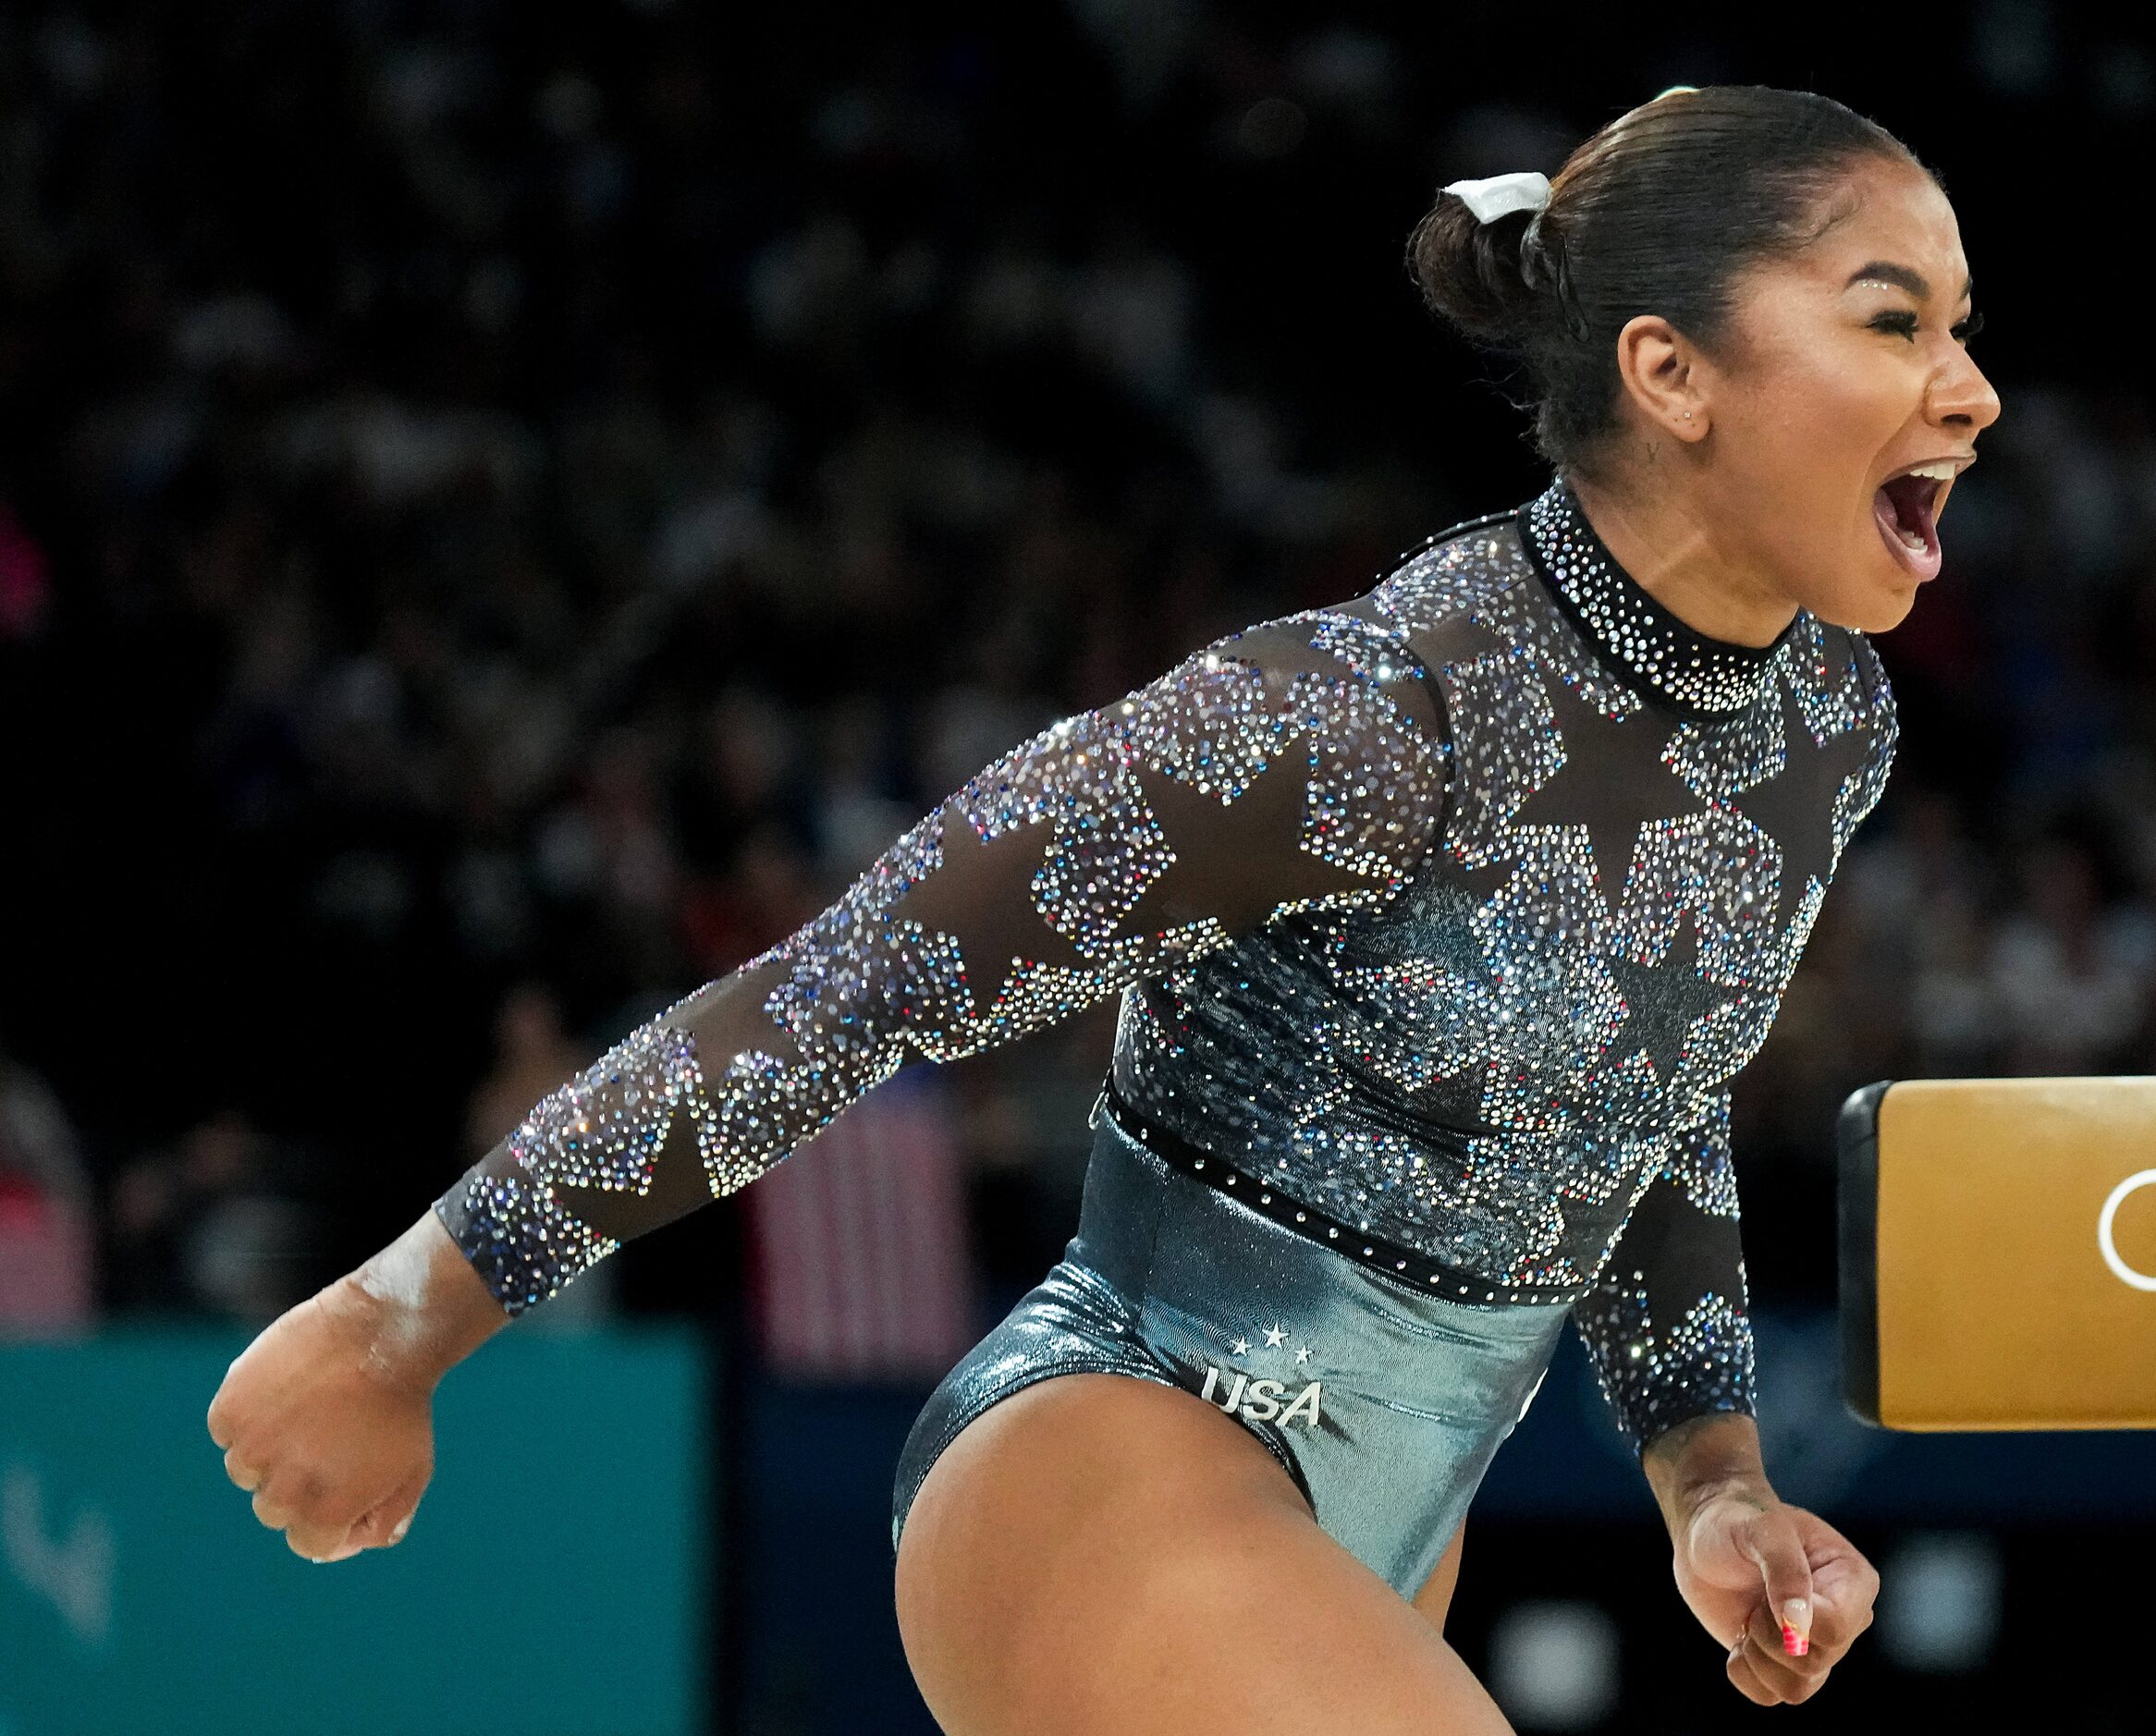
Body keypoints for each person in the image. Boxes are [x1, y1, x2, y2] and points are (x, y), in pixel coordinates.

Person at [205, 84, 1996, 1729]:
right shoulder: (1360, 721)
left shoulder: (1823, 727)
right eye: (1892, 318)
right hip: (1117, 1456)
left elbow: (1649, 1098)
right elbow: (856, 986)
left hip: (1388, 1527)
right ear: (1672, 374)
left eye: (1960, 326)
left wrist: (1718, 1482)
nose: (1970, 390)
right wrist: (404, 1318)